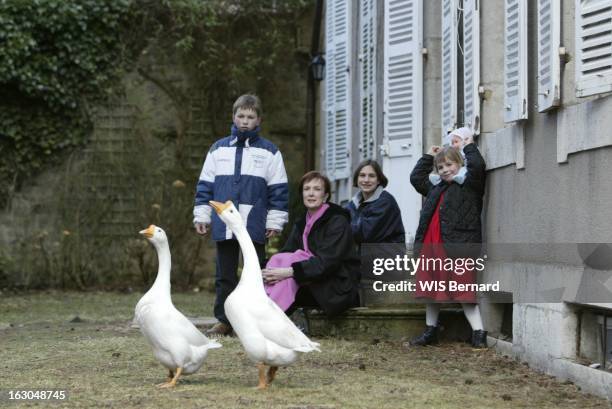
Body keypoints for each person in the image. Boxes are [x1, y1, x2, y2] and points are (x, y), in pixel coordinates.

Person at [193, 94, 289, 336]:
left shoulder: (270, 152)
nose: (245, 121)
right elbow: (205, 185)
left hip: (254, 222)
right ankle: (225, 320)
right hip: (224, 222)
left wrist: (275, 221)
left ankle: (254, 320)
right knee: (224, 274)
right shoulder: (218, 149)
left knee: (254, 274)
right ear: (233, 117)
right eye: (241, 116)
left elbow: (278, 189)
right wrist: (202, 215)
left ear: (259, 120)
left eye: (250, 117)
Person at [408, 136, 488, 348]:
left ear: (460, 164)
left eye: (449, 164)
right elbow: (416, 178)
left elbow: (478, 166)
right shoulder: (435, 187)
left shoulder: (470, 184)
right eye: (440, 166)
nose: (444, 170)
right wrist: (428, 156)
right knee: (431, 291)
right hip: (431, 245)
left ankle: (479, 333)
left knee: (464, 290)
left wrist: (467, 146)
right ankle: (430, 331)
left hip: (458, 245)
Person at [262, 171, 361, 317]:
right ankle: (266, 315)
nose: (311, 194)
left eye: (317, 189)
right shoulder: (302, 222)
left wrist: (290, 272)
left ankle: (269, 317)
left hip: (336, 286)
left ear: (325, 196)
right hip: (312, 281)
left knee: (287, 276)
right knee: (282, 265)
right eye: (306, 189)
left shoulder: (337, 220)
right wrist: (267, 270)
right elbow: (287, 253)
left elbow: (328, 262)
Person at [346, 160, 405, 250]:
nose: (366, 180)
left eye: (371, 176)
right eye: (362, 175)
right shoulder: (354, 203)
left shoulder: (385, 202)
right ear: (357, 179)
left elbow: (364, 234)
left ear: (378, 180)